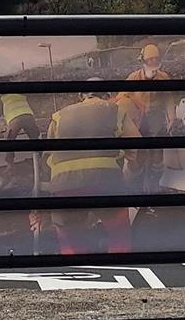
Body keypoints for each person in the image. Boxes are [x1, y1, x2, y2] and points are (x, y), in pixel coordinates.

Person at [33, 85, 128, 254]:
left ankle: (76, 274)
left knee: (71, 245)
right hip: (105, 183)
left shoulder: (59, 115)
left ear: (81, 96)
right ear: (108, 95)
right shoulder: (115, 110)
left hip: (64, 187)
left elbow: (46, 162)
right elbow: (138, 150)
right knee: (119, 237)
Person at [118, 44, 173, 192]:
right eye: (150, 60)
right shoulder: (133, 78)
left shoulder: (164, 78)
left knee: (156, 162)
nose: (153, 62)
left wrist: (172, 118)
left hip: (156, 124)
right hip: (138, 125)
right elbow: (121, 99)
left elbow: (169, 99)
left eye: (156, 59)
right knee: (138, 159)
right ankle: (133, 188)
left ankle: (153, 189)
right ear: (143, 61)